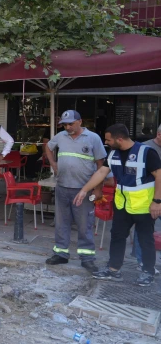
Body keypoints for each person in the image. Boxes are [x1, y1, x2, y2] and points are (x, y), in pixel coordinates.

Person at [74, 123, 161, 286]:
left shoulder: (146, 153)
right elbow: (101, 172)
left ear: (119, 139)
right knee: (117, 237)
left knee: (145, 240)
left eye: (108, 140)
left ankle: (148, 272)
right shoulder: (113, 153)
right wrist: (85, 190)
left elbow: (159, 176)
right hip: (122, 206)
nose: (106, 143)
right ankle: (113, 270)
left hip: (144, 206)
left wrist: (157, 201)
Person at [44, 110, 105, 272]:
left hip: (83, 189)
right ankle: (61, 254)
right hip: (63, 187)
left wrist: (98, 189)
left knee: (85, 224)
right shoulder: (60, 136)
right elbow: (48, 148)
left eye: (71, 123)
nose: (68, 127)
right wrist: (54, 164)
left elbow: (101, 165)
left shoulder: (93, 138)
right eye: (65, 124)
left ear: (80, 121)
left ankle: (87, 258)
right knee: (61, 223)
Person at [132, 123, 161, 273]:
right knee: (143, 230)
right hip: (149, 196)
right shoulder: (143, 149)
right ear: (159, 134)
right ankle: (142, 262)